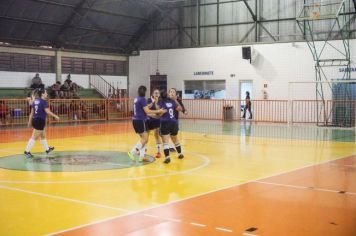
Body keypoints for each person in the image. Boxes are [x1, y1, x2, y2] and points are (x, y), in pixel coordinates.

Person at [127, 86, 165, 162]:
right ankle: (132, 152)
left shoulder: (136, 98)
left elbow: (144, 107)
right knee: (145, 139)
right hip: (140, 121)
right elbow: (147, 111)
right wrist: (158, 111)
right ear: (145, 92)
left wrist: (152, 104)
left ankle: (141, 156)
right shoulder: (143, 99)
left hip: (135, 120)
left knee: (143, 139)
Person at [24, 89, 60, 158]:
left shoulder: (35, 101)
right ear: (42, 94)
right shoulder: (44, 102)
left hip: (35, 120)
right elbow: (47, 111)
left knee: (43, 135)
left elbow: (32, 113)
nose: (47, 94)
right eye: (46, 93)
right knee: (34, 137)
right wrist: (55, 116)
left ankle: (47, 149)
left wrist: (29, 121)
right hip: (40, 121)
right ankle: (26, 151)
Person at [158, 89, 184, 164]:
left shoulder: (161, 102)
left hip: (165, 122)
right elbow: (180, 109)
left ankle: (167, 157)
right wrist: (176, 100)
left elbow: (159, 114)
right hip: (174, 122)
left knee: (165, 142)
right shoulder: (172, 101)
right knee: (175, 140)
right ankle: (180, 154)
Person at [146, 88, 162, 158]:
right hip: (149, 120)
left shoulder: (160, 101)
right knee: (146, 135)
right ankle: (144, 149)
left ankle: (158, 152)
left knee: (156, 135)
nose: (156, 94)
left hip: (156, 120)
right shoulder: (148, 100)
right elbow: (147, 108)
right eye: (155, 93)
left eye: (158, 93)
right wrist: (152, 102)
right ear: (152, 94)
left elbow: (159, 111)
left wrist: (156, 102)